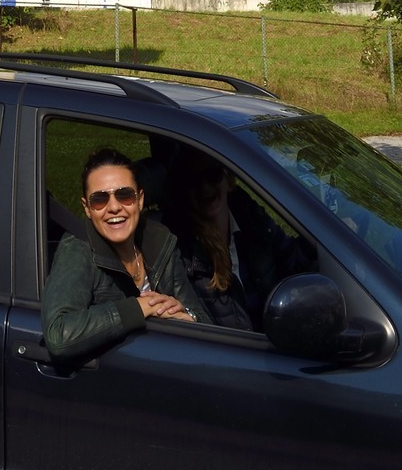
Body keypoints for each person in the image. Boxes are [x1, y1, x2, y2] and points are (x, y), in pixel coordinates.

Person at [42, 148, 205, 362]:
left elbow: (203, 321)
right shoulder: (78, 250)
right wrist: (140, 307)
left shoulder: (159, 241)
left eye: (124, 195)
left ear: (139, 199)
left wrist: (185, 317)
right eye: (100, 199)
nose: (114, 207)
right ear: (87, 208)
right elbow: (59, 333)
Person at [162, 149, 315, 330]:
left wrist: (324, 238)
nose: (204, 187)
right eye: (194, 181)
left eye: (213, 175)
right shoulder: (183, 251)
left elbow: (292, 260)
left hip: (277, 340)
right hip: (237, 353)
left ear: (229, 180)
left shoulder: (252, 221)